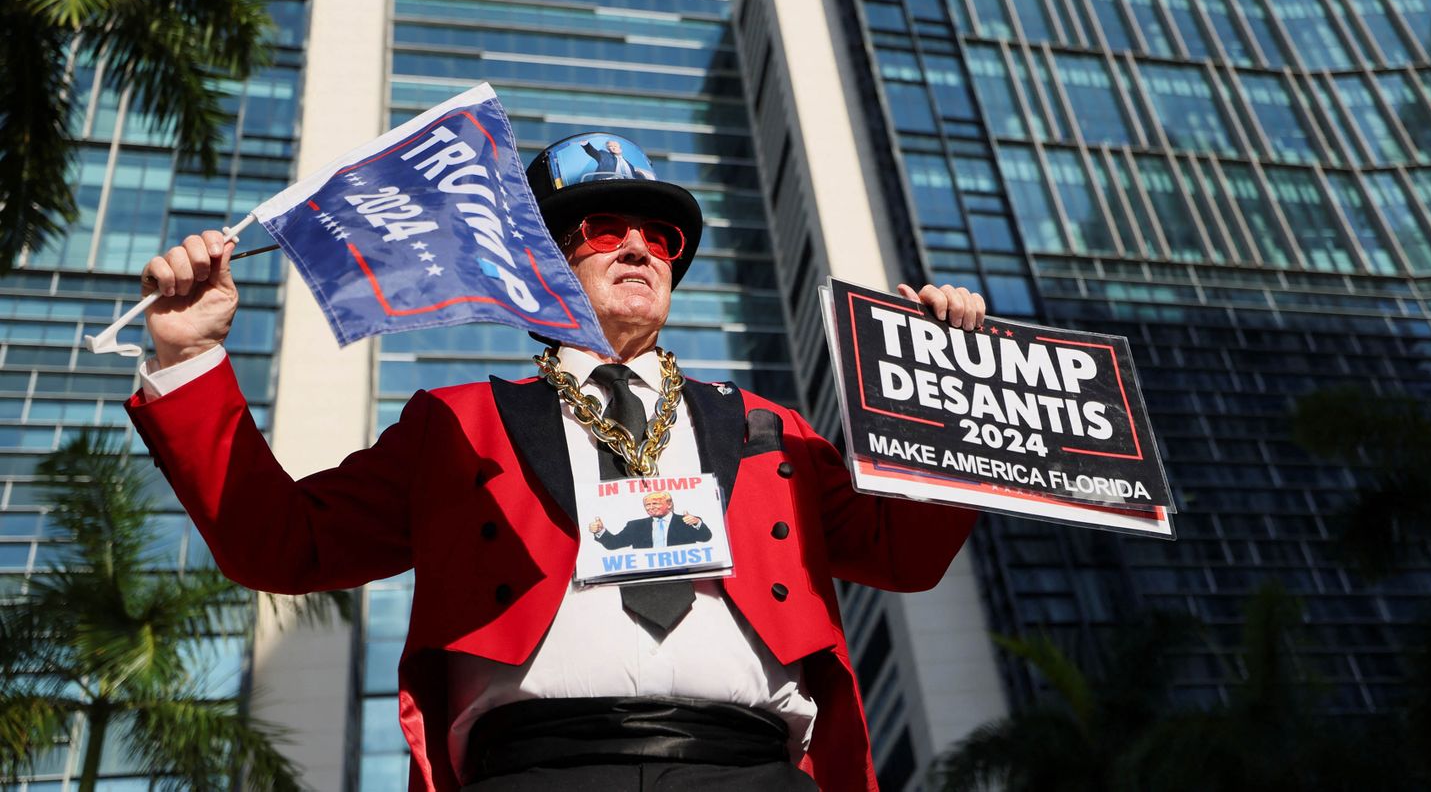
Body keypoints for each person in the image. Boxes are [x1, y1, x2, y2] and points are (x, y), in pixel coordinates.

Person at [126, 133, 987, 792]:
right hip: (535, 769)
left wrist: (954, 394)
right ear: (538, 260)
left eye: (661, 236)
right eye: (601, 228)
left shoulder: (768, 424)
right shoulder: (455, 423)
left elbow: (903, 555)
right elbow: (280, 545)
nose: (640, 248)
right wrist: (190, 362)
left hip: (754, 767)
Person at [589, 491, 712, 551]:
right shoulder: (635, 526)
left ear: (669, 504)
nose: (650, 507)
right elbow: (613, 544)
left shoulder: (686, 521)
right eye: (647, 505)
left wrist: (697, 523)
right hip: (646, 580)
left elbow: (706, 537)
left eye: (655, 503)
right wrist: (600, 531)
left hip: (682, 575)